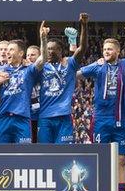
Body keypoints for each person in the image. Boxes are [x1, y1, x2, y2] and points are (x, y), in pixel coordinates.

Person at [77, 38, 125, 191]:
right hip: (101, 119)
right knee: (100, 159)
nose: (106, 51)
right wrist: (92, 61)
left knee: (121, 160)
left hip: (121, 118)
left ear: (118, 51)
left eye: (110, 49)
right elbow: (76, 73)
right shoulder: (98, 66)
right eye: (104, 48)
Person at [0, 24, 47, 144]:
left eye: (11, 50)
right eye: (6, 50)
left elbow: (42, 59)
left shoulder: (28, 70)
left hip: (22, 119)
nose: (7, 52)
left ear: (21, 53)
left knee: (24, 157)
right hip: (2, 118)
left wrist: (43, 39)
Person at [37, 13, 88, 144]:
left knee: (63, 153)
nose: (48, 52)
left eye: (52, 49)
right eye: (47, 49)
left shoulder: (70, 64)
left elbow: (82, 48)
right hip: (45, 117)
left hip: (64, 117)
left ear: (60, 51)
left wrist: (84, 25)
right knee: (44, 153)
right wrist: (42, 38)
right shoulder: (41, 66)